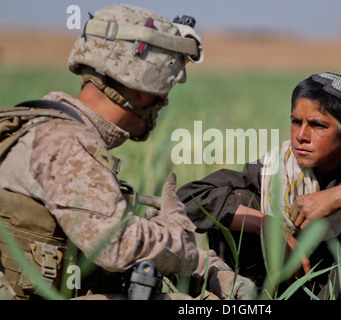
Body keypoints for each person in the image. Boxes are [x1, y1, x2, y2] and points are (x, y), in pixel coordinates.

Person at [0, 4, 256, 300]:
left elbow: (110, 229)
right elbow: (117, 244)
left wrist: (207, 269)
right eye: (165, 89)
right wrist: (177, 231)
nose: (165, 102)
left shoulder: (45, 124)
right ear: (142, 89)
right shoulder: (64, 143)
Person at [177, 72, 341, 299]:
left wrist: (334, 198)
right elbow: (189, 198)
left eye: (317, 125)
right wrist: (266, 225)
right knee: (240, 200)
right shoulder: (278, 167)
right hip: (288, 288)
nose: (301, 136)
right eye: (296, 121)